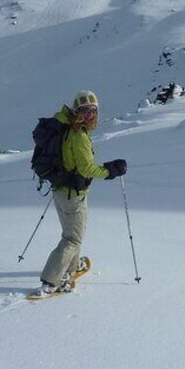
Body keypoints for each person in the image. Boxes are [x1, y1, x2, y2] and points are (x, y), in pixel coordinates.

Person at [37, 90, 127, 295]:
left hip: (60, 189)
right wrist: (110, 171)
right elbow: (86, 168)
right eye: (85, 110)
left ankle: (72, 266)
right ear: (77, 110)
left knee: (71, 232)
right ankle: (51, 281)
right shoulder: (79, 135)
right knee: (72, 239)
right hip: (72, 193)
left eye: (93, 111)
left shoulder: (64, 126)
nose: (90, 115)